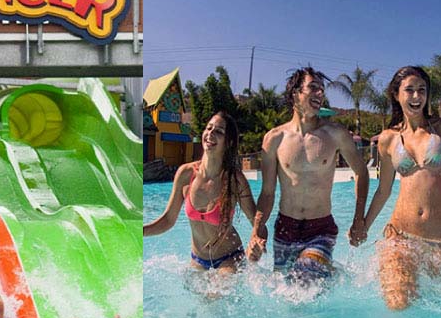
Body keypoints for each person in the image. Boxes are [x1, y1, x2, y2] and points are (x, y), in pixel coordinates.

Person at [362, 66, 441, 310]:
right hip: (400, 237)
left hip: (440, 240)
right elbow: (383, 191)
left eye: (422, 90)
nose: (416, 97)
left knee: (439, 313)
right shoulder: (388, 139)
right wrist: (362, 225)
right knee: (399, 305)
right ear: (396, 94)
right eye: (410, 90)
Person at [249, 67, 369, 286]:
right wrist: (256, 232)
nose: (320, 94)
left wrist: (358, 220)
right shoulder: (274, 139)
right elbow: (267, 193)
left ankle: (320, 264)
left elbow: (361, 172)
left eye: (322, 90)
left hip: (320, 227)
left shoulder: (335, 134)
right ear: (295, 93)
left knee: (305, 280)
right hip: (285, 227)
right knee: (285, 292)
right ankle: (329, 272)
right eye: (313, 88)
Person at [144, 111, 261, 272]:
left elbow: (257, 222)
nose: (211, 133)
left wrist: (256, 242)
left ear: (228, 142)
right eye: (209, 128)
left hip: (230, 258)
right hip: (198, 259)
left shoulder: (234, 180)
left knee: (215, 295)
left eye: (219, 131)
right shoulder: (186, 174)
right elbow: (168, 220)